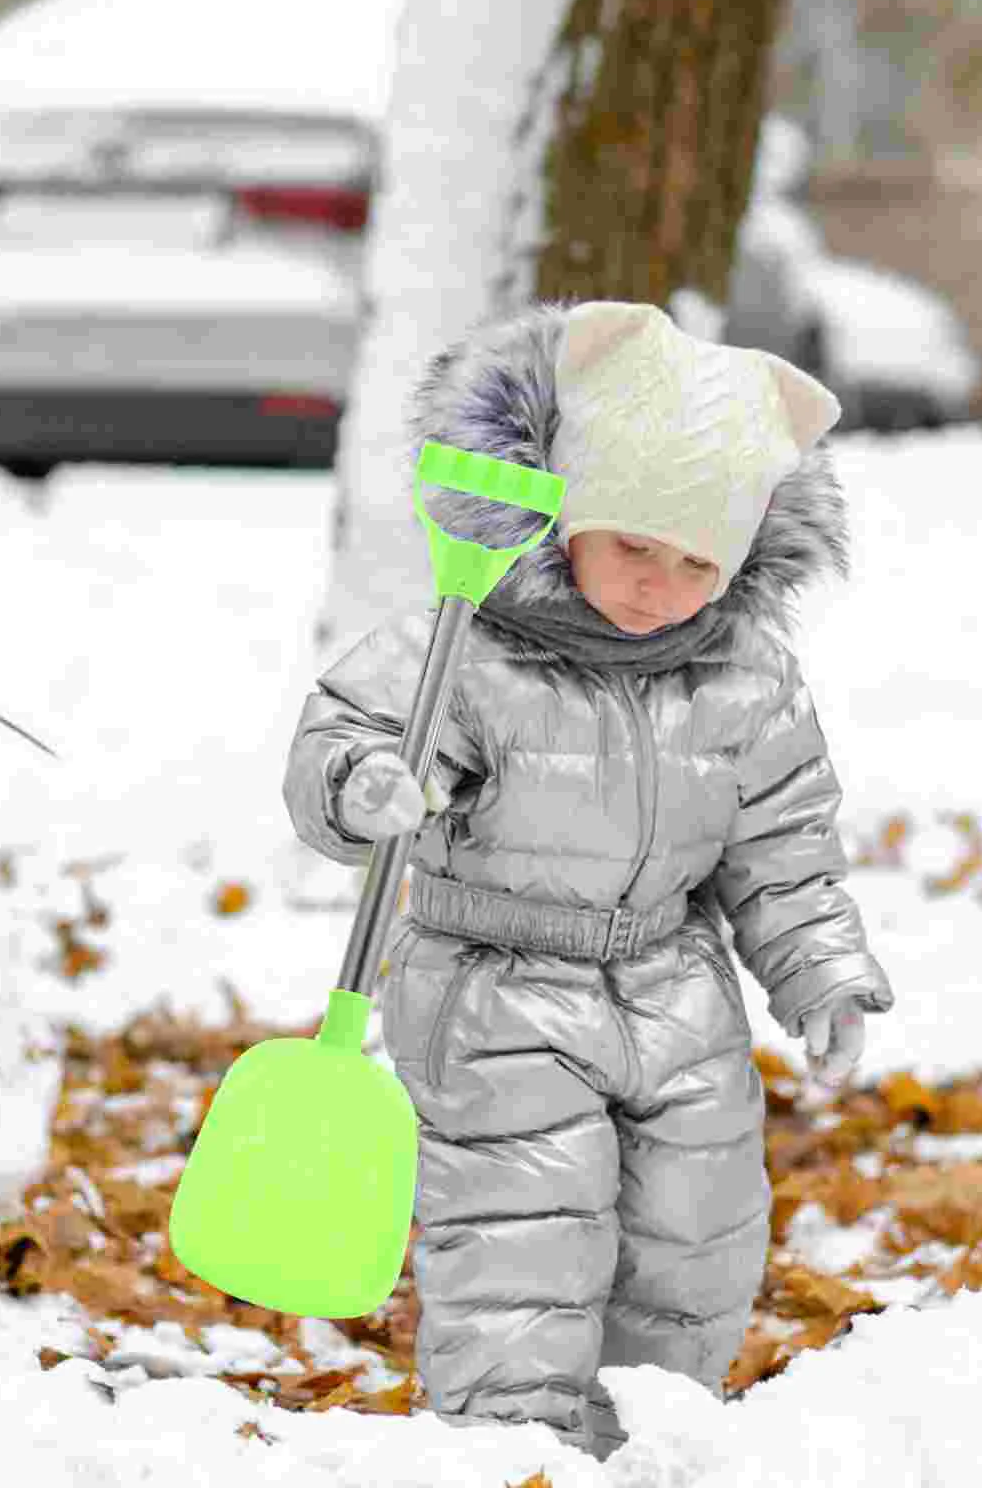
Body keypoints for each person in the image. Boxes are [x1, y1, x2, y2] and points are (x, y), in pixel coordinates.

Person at [283, 299, 895, 1461]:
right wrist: (365, 786)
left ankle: (637, 1448)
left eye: (694, 559)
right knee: (525, 1243)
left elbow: (784, 848)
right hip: (494, 987)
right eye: (630, 544)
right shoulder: (468, 642)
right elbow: (346, 735)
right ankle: (511, 1458)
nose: (658, 584)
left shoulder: (748, 677)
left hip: (676, 987)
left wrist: (822, 975)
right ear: (564, 514)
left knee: (695, 1241)